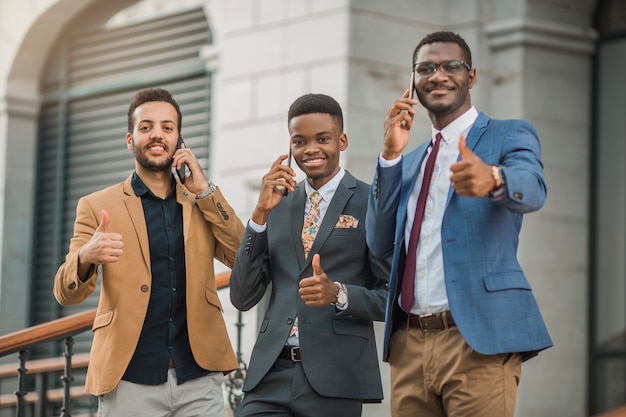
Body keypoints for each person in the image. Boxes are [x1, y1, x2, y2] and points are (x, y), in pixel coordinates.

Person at [365, 31, 553, 417]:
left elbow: (532, 189)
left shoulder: (507, 134)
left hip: (476, 339)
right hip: (409, 344)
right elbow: (378, 241)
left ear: (471, 77)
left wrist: (494, 179)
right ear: (412, 82)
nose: (438, 75)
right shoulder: (411, 160)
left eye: (451, 66)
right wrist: (388, 157)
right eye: (425, 68)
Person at [53, 87, 245, 417]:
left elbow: (245, 257)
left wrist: (206, 192)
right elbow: (64, 293)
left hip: (199, 376)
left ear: (179, 140)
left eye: (167, 128)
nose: (157, 135)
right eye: (146, 127)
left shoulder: (201, 202)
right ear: (130, 139)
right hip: (130, 377)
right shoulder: (97, 206)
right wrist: (86, 256)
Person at [229, 93, 390, 417]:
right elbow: (242, 296)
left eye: (322, 139)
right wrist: (259, 215)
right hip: (269, 375)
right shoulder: (278, 204)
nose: (310, 149)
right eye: (299, 142)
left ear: (341, 141)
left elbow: (391, 297)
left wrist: (338, 294)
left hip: (336, 376)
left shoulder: (371, 201)